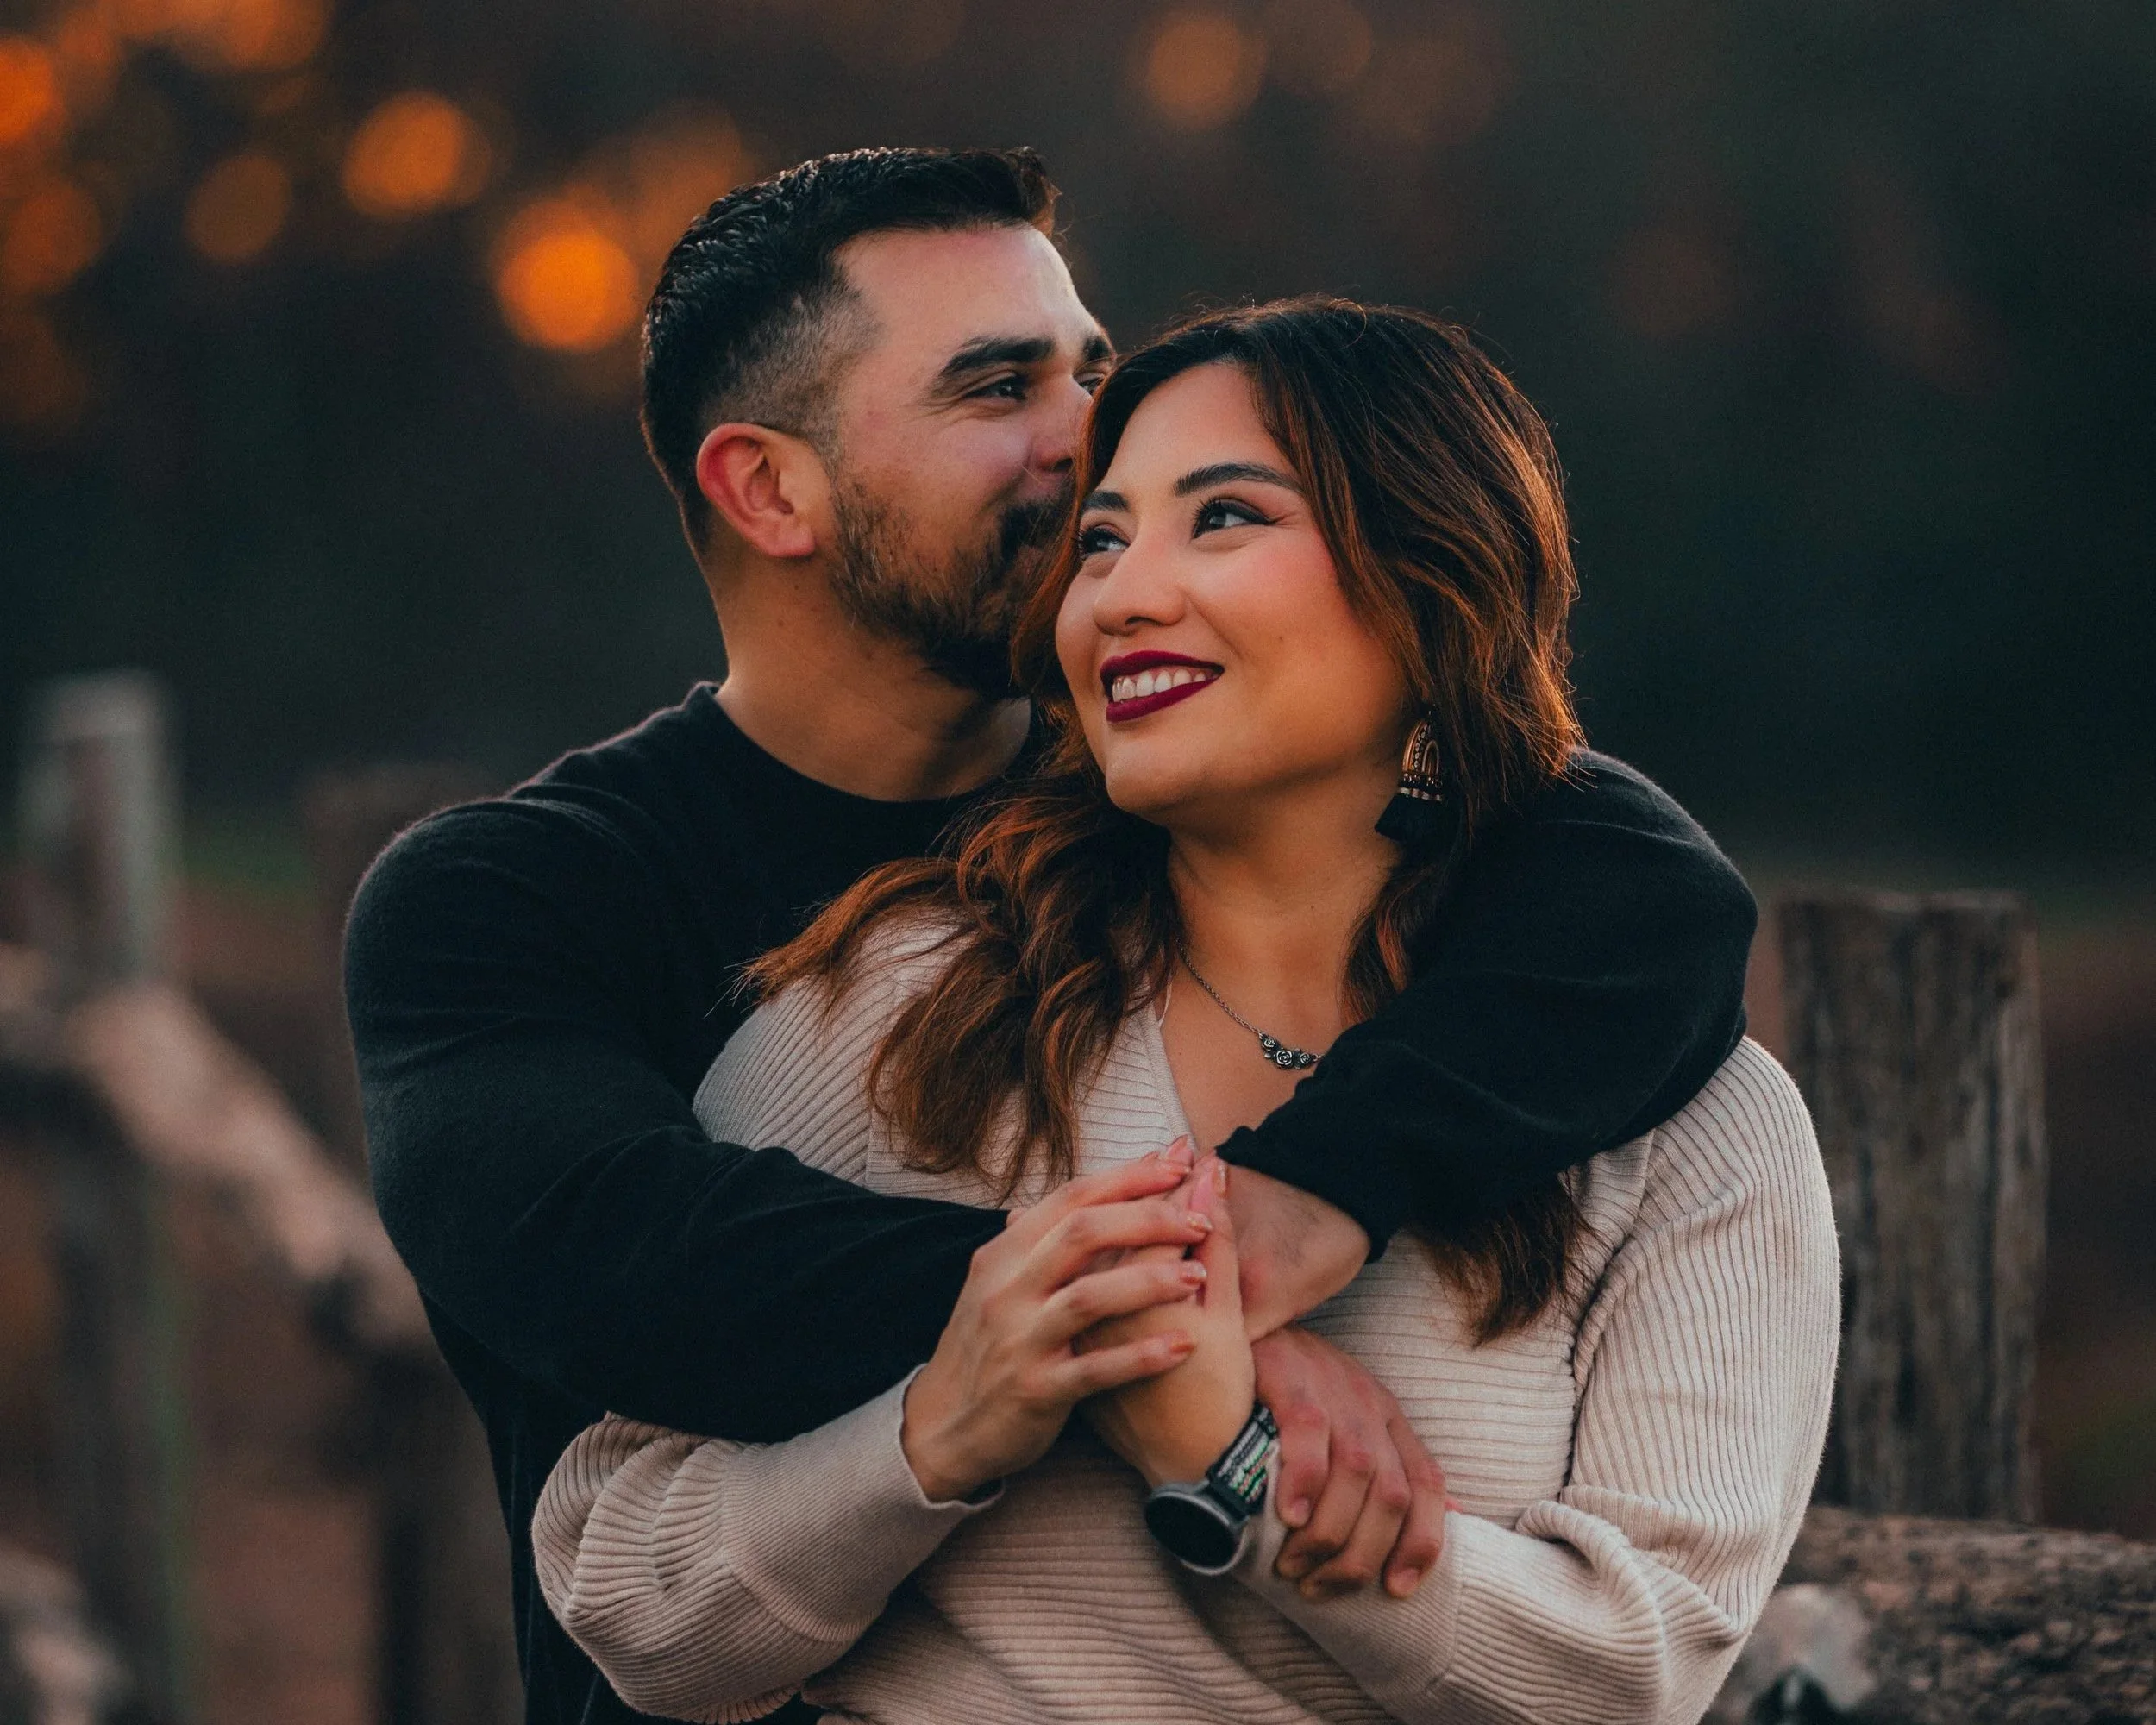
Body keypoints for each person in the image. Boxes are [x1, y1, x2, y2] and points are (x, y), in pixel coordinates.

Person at [344, 150, 1760, 1725]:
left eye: (1090, 366)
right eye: (997, 386)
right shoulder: (524, 901)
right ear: (769, 488)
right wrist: (1160, 1326)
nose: (1089, 434)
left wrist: (1307, 1199)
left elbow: (1663, 899)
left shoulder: (1207, 788)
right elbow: (626, 1257)